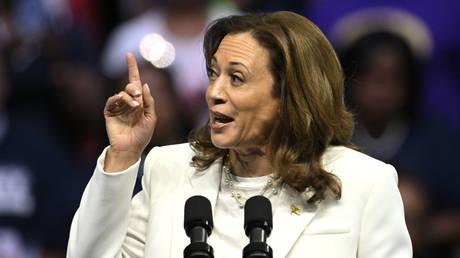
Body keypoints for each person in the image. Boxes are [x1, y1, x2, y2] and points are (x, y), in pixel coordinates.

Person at [67, 11, 412, 257]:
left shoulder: (364, 183)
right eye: (213, 73)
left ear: (290, 95)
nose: (213, 92)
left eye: (236, 78)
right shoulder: (168, 169)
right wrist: (124, 154)